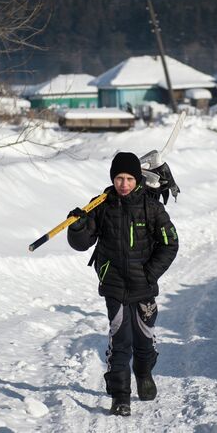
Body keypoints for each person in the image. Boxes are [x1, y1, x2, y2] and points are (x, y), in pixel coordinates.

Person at [67, 151, 179, 417]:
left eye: (129, 178)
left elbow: (170, 243)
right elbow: (82, 244)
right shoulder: (102, 205)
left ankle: (144, 374)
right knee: (120, 340)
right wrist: (78, 226)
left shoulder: (151, 208)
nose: (124, 184)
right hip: (114, 283)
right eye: (119, 178)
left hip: (144, 286)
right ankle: (120, 396)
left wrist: (150, 273)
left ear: (138, 179)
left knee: (144, 338)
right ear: (112, 178)